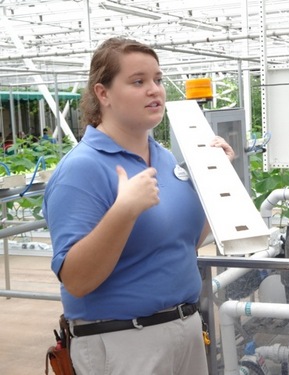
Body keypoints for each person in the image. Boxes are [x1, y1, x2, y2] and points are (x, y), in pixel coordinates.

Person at [42, 37, 234, 375]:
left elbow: (184, 243)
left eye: (158, 80)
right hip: (123, 342)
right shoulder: (81, 169)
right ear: (103, 94)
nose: (155, 90)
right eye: (138, 81)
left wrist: (216, 179)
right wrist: (123, 211)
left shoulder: (164, 158)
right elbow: (76, 279)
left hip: (185, 329)